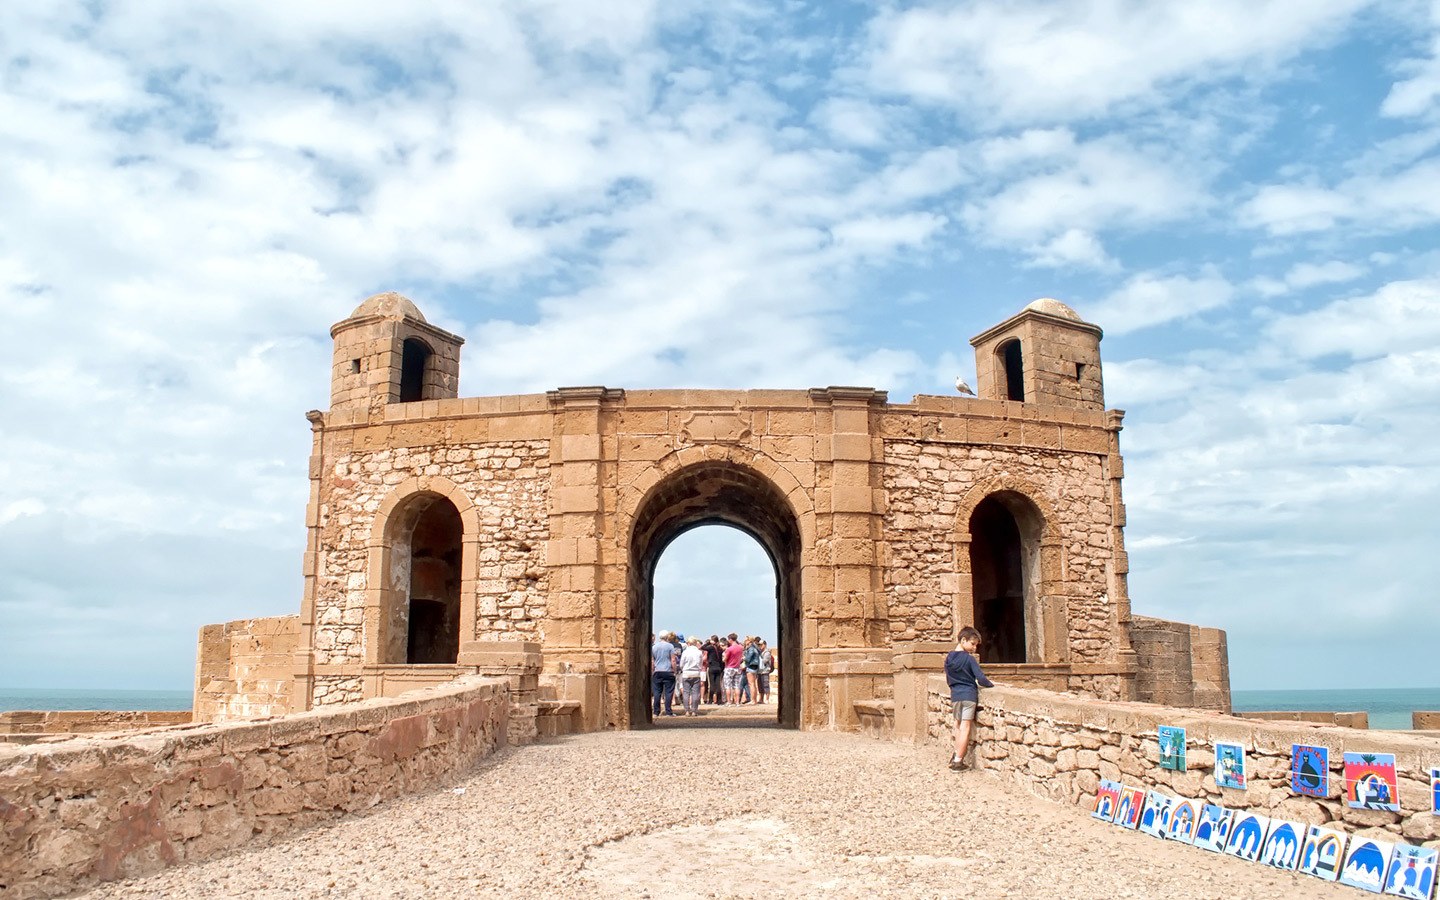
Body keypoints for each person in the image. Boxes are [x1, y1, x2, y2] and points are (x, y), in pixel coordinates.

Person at [945, 626, 993, 769]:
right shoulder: (969, 659)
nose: (974, 648)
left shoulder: (949, 658)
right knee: (966, 726)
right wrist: (991, 685)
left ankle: (955, 754)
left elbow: (948, 677)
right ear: (963, 640)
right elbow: (981, 678)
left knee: (957, 725)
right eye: (972, 644)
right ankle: (958, 761)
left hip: (955, 695)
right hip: (969, 695)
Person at [651, 630, 677, 717]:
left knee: (657, 692)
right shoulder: (670, 646)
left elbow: (652, 661)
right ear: (667, 637)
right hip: (668, 671)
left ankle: (656, 712)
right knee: (668, 692)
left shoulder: (654, 647)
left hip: (657, 671)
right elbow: (673, 659)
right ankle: (668, 711)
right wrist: (675, 670)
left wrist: (652, 671)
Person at [679, 636, 704, 716]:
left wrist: (683, 669)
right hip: (696, 673)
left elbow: (681, 663)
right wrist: (699, 669)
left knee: (686, 692)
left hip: (686, 673)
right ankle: (694, 710)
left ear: (688, 643)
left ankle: (686, 710)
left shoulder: (685, 652)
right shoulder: (699, 652)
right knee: (695, 693)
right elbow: (701, 663)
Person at [722, 633, 744, 705]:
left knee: (728, 686)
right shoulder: (741, 647)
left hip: (729, 667)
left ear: (730, 639)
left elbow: (725, 659)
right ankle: (737, 702)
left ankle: (729, 702)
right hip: (737, 668)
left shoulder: (729, 649)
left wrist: (723, 658)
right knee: (737, 686)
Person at [702, 636, 723, 704]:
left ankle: (710, 700)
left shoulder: (711, 647)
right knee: (718, 684)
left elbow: (702, 647)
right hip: (718, 667)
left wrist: (707, 642)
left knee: (712, 684)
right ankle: (719, 700)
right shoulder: (720, 648)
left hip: (712, 666)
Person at [743, 636, 762, 704]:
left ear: (749, 641)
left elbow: (748, 659)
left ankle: (753, 700)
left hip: (750, 667)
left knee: (751, 684)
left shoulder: (751, 649)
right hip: (755, 667)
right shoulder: (756, 648)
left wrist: (744, 657)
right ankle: (754, 700)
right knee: (754, 684)